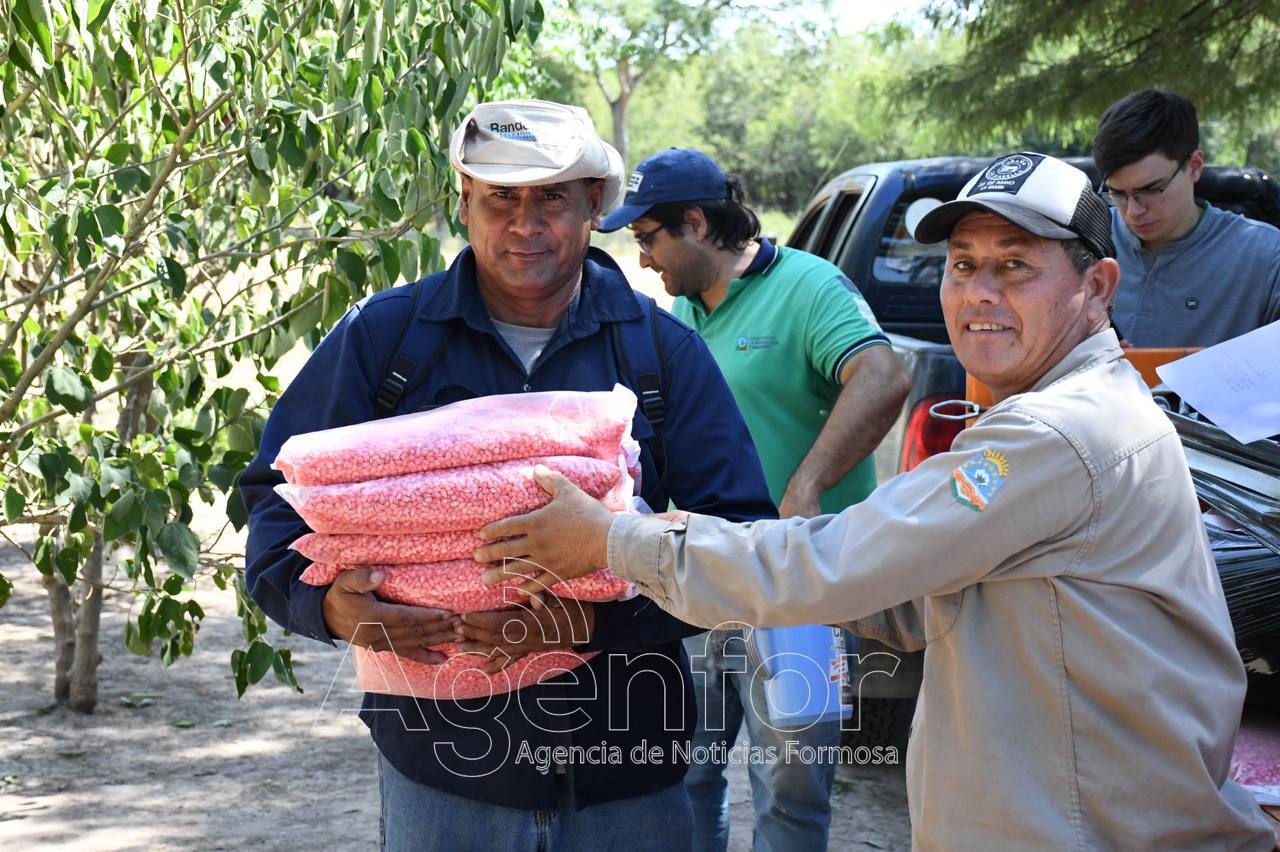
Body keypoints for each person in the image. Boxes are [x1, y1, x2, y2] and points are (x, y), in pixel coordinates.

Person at [475, 152, 1278, 850]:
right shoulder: (1069, 412)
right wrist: (697, 539)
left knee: (792, 781)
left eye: (1015, 266)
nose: (979, 294)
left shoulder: (1053, 436)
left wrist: (615, 542)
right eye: (963, 266)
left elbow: (844, 560)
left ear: (1099, 286)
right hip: (1060, 805)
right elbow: (914, 591)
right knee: (703, 773)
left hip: (1079, 830)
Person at [240, 98, 778, 851]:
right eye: (501, 198)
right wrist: (328, 608)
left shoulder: (662, 356)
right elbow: (273, 496)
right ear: (464, 201)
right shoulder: (386, 340)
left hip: (625, 776)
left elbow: (745, 537)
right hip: (444, 776)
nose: (526, 224)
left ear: (594, 202)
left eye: (551, 197)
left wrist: (596, 622)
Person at [597, 147, 910, 852]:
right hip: (703, 576)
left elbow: (883, 377)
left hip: (801, 589)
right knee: (688, 774)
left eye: (649, 238)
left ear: (699, 223)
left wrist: (806, 487)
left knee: (794, 793)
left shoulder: (810, 287)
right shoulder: (682, 309)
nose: (643, 259)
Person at [1093, 88, 1280, 346]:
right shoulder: (1085, 242)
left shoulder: (1266, 257)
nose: (1133, 212)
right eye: (1118, 193)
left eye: (1151, 190)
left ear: (1194, 166)